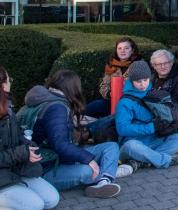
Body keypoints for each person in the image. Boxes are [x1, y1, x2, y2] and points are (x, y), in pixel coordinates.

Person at [19, 70, 127, 198]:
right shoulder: (57, 107)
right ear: (72, 87)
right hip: (45, 168)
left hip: (56, 159)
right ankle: (106, 174)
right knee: (87, 170)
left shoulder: (43, 99)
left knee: (110, 147)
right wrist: (88, 159)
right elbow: (60, 144)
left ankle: (104, 181)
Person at [0, 67, 60, 210]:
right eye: (9, 80)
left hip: (16, 170)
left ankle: (18, 190)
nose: (10, 83)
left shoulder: (7, 107)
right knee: (35, 205)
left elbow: (18, 135)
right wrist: (23, 152)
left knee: (52, 200)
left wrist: (30, 146)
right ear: (2, 85)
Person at [115, 61, 178, 170]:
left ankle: (144, 161)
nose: (143, 85)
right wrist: (152, 127)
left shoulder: (152, 93)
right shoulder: (125, 103)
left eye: (145, 80)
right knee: (131, 145)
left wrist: (168, 123)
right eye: (138, 81)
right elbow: (122, 129)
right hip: (133, 145)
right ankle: (166, 160)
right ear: (131, 81)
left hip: (152, 141)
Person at [85, 37, 141, 118]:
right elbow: (103, 85)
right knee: (89, 109)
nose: (122, 51)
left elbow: (141, 87)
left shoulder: (139, 65)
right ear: (116, 50)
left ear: (132, 50)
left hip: (130, 104)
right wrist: (109, 93)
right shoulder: (111, 66)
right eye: (119, 48)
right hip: (112, 101)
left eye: (126, 48)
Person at [150, 49, 178, 115]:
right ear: (154, 66)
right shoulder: (150, 80)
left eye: (165, 63)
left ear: (171, 63)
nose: (163, 66)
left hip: (174, 123)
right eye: (159, 64)